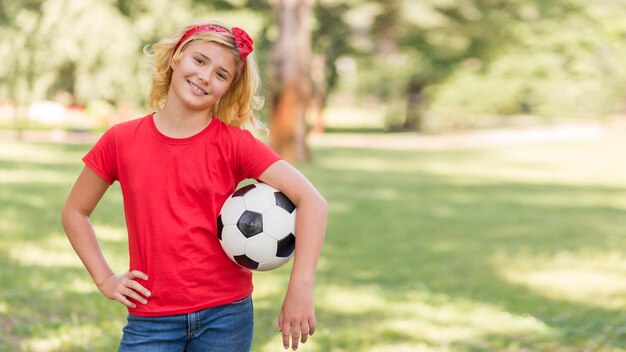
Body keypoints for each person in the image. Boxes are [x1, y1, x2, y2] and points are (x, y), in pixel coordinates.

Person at [61, 20, 327, 352]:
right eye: (199, 61)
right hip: (151, 320)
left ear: (229, 88)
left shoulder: (234, 144)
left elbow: (312, 202)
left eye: (221, 74)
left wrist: (299, 290)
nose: (205, 76)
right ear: (175, 57)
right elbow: (75, 211)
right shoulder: (121, 140)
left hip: (226, 317)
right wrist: (105, 278)